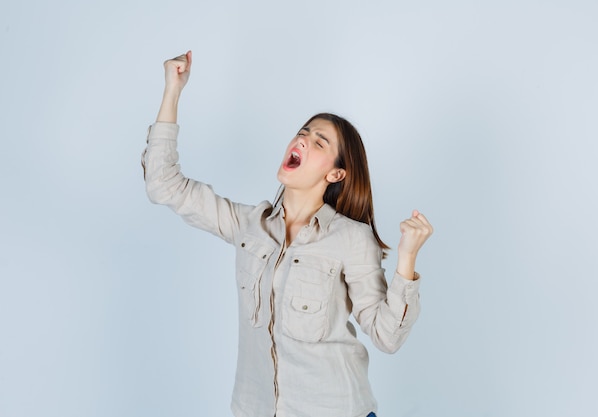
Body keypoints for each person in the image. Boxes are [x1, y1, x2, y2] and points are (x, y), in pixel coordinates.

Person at [142, 50, 433, 417]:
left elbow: (386, 337)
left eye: (319, 142)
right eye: (303, 133)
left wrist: (407, 259)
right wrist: (173, 90)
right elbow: (163, 185)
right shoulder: (250, 225)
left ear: (336, 174)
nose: (303, 140)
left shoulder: (351, 238)